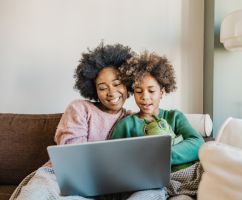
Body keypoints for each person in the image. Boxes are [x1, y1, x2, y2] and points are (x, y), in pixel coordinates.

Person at [10, 42, 135, 200]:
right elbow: (73, 157)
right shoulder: (79, 108)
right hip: (57, 178)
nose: (111, 92)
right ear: (93, 90)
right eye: (103, 87)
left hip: (101, 186)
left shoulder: (132, 119)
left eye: (117, 84)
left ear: (128, 84)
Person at [111, 51, 205, 171]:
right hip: (145, 180)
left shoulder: (175, 117)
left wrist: (162, 156)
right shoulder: (126, 125)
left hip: (182, 177)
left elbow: (198, 143)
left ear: (162, 92)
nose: (144, 97)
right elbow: (112, 158)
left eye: (151, 91)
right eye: (139, 91)